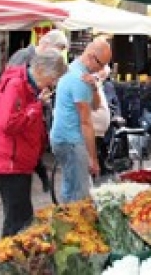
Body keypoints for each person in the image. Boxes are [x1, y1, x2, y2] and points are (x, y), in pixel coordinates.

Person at [0, 50, 66, 237]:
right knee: (18, 219)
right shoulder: (16, 85)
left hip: (19, 160)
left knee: (20, 216)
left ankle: (12, 259)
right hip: (10, 161)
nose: (52, 84)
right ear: (41, 70)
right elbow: (7, 124)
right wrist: (36, 106)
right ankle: (7, 260)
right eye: (53, 78)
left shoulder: (28, 86)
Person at [50, 37, 111, 203]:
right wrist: (93, 158)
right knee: (80, 197)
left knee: (71, 187)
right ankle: (72, 225)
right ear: (91, 57)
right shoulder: (79, 78)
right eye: (101, 64)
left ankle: (65, 221)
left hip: (64, 138)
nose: (102, 69)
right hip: (72, 141)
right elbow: (86, 122)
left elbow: (96, 106)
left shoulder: (78, 73)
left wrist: (95, 86)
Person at [8, 29, 68, 192]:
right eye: (59, 48)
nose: (59, 53)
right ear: (46, 44)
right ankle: (42, 178)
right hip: (24, 121)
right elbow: (13, 95)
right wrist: (36, 103)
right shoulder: (23, 57)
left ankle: (43, 179)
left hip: (33, 116)